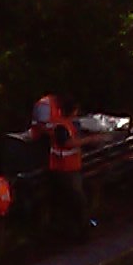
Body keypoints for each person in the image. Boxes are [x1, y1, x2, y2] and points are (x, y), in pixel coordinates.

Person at [47, 101, 90, 236]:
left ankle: (77, 230)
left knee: (73, 202)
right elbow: (66, 143)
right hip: (65, 170)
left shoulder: (66, 125)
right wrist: (89, 140)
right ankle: (79, 232)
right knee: (76, 201)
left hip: (68, 169)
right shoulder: (62, 126)